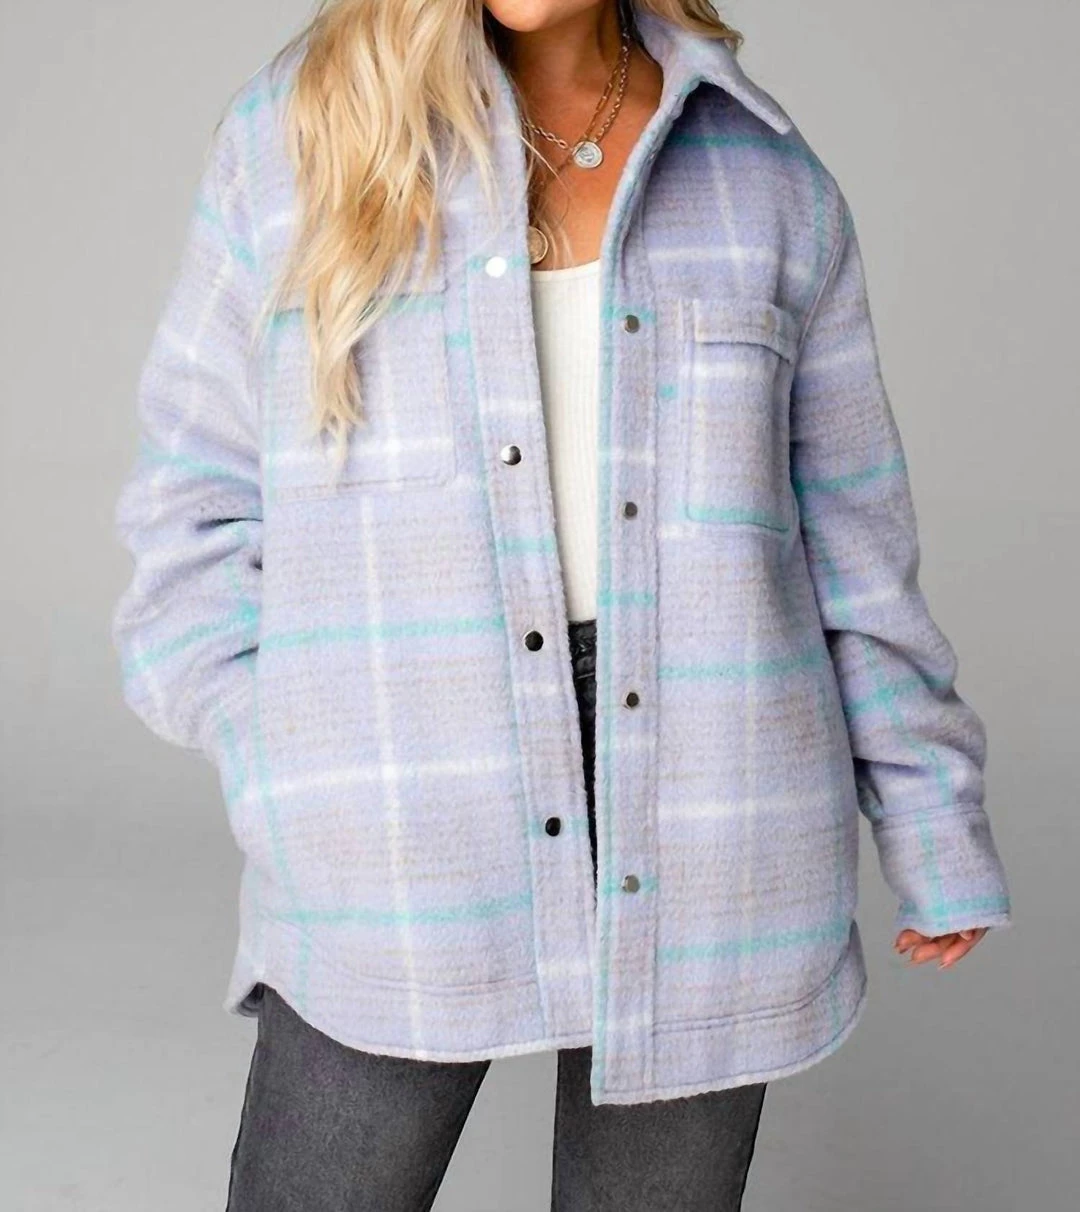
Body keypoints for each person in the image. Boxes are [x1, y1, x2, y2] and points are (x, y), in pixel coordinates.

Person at [109, 1, 1014, 1207]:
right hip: (400, 809)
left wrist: (933, 819)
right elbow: (192, 509)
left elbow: (856, 551)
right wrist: (284, 755)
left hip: (718, 816)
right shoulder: (299, 137)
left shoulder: (766, 183)